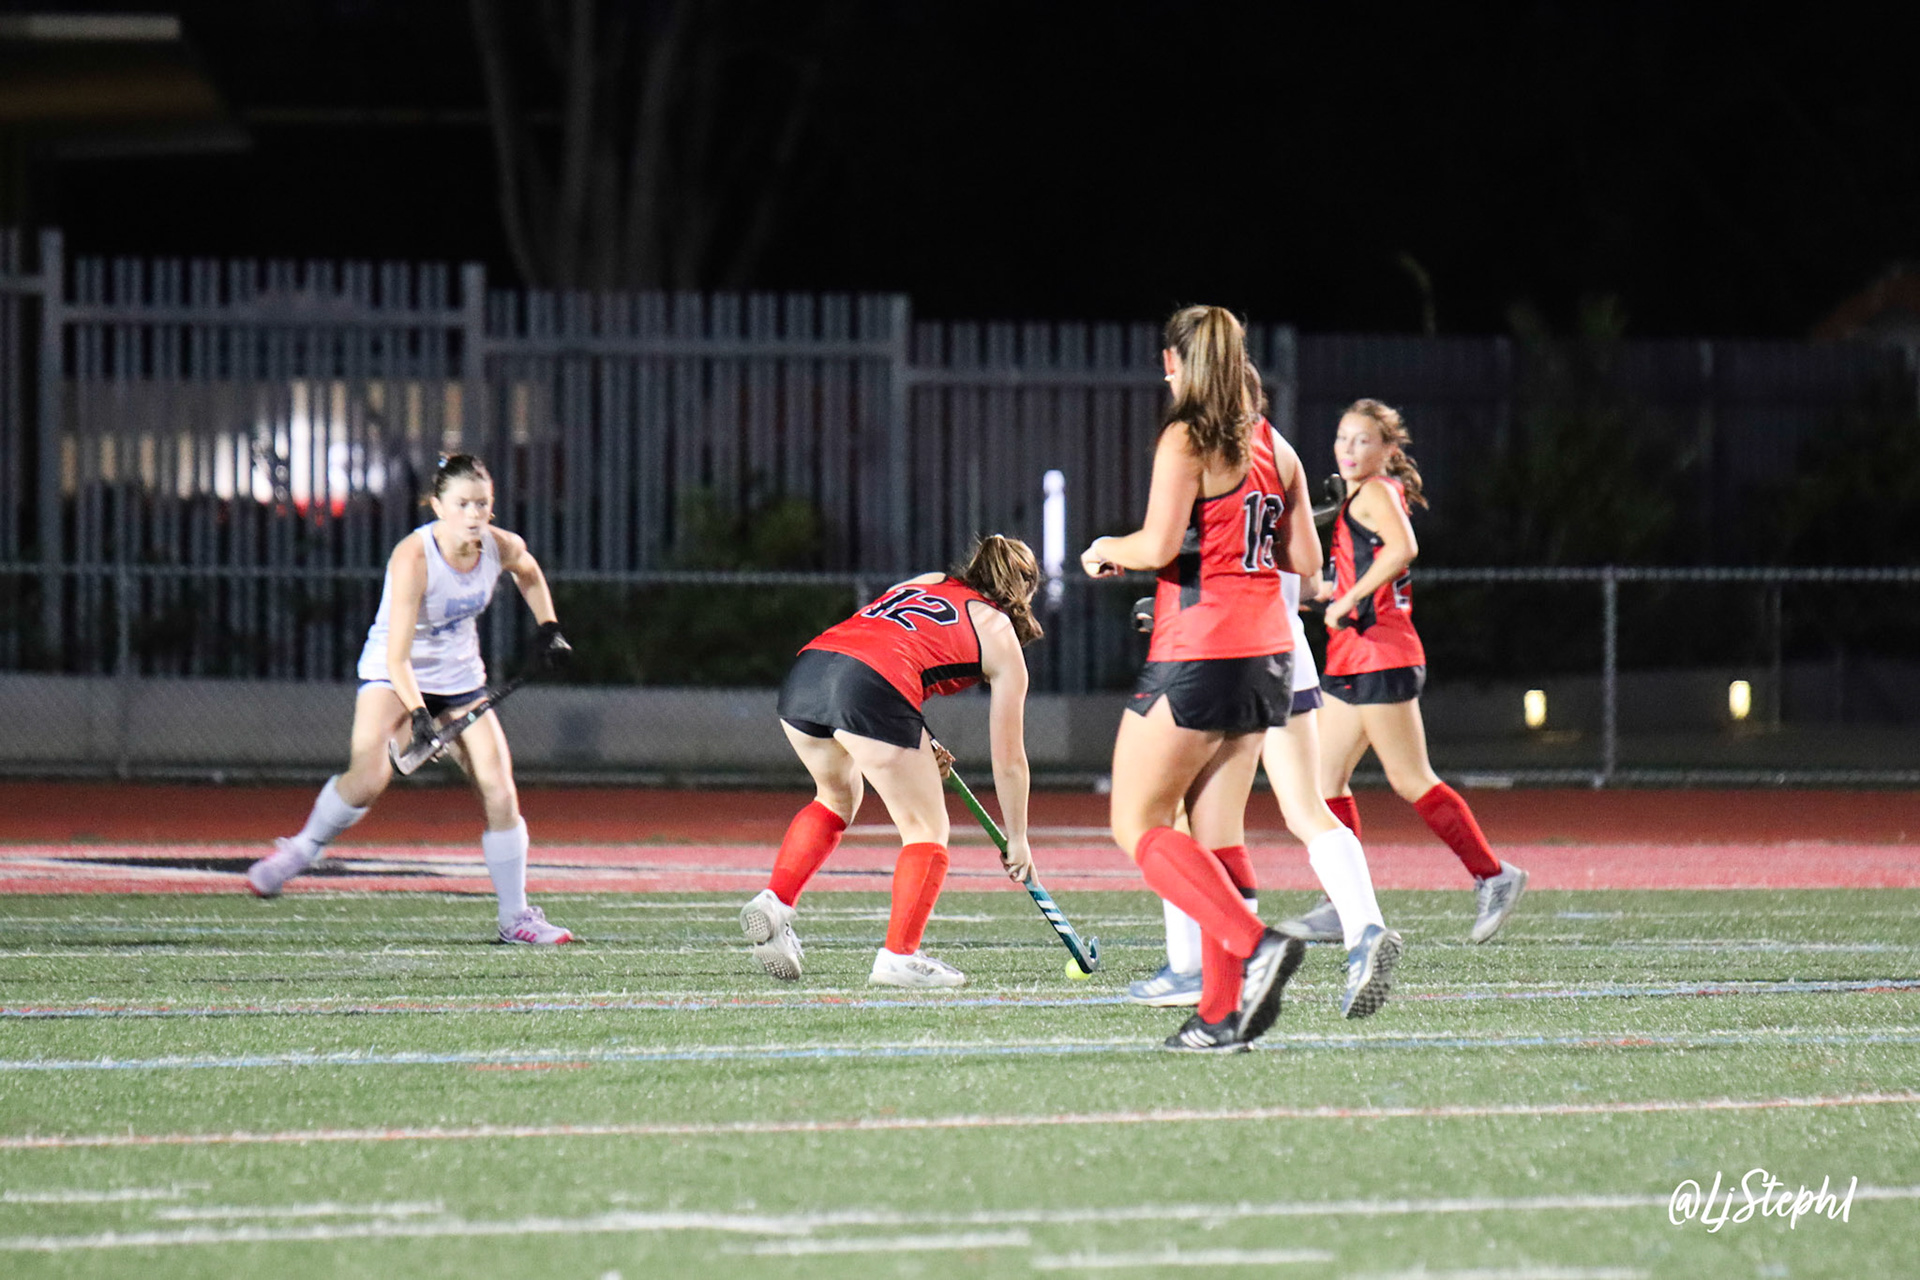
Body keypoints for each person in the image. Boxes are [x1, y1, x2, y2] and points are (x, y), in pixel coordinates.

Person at [1082, 306, 1334, 1053]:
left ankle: (1254, 946)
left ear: (1173, 363)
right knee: (1218, 835)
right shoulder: (1277, 447)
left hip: (1201, 650)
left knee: (1137, 823)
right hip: (1270, 656)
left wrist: (1107, 548)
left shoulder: (1186, 437)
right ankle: (1222, 1016)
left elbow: (1157, 543)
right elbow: (1308, 566)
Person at [1127, 386, 1400, 1021]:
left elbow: (1174, 547)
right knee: (1305, 807)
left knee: (1181, 816)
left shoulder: (1205, 448)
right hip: (1287, 648)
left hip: (1227, 651)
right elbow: (1306, 571)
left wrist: (1139, 570)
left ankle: (1197, 964)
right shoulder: (1279, 451)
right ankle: (1365, 928)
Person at [244, 454, 576, 946]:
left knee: (499, 788)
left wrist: (549, 628)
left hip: (460, 680)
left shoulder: (498, 545)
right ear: (438, 506)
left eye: (481, 504)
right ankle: (301, 849)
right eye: (462, 504)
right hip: (393, 673)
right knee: (368, 778)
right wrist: (420, 717)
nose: (473, 515)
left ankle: (515, 917)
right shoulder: (414, 558)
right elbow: (398, 658)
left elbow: (527, 570)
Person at [739, 535, 1042, 989]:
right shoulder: (999, 631)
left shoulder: (927, 581)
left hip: (809, 671)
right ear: (1024, 590)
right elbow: (1010, 760)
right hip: (870, 688)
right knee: (927, 828)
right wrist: (1018, 837)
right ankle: (899, 956)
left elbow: (889, 645)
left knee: (837, 797)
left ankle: (775, 902)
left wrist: (919, 737)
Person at [1285, 398, 1527, 944]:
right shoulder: (1359, 496)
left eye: (1363, 440)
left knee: (1411, 778)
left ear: (1388, 450)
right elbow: (1360, 574)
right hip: (1353, 654)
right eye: (1343, 438)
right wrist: (1328, 594)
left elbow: (1403, 548)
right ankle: (1341, 903)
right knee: (1323, 782)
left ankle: (1493, 875)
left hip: (1381, 654)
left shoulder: (1375, 491)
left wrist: (1349, 601)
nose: (1348, 449)